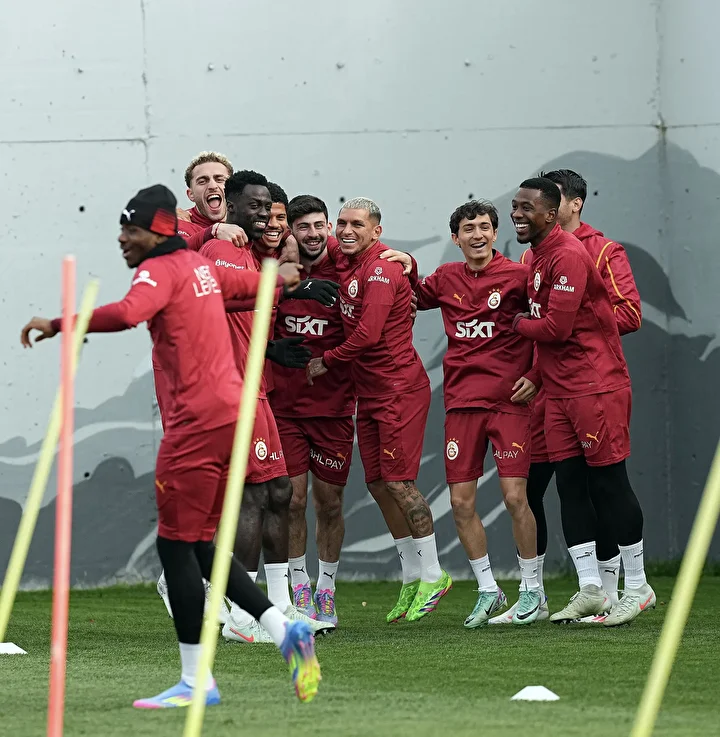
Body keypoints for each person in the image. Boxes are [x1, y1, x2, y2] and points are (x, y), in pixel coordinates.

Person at [19, 184, 321, 707]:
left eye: (131, 231)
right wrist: (284, 277)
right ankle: (281, 629)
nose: (122, 240)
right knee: (197, 544)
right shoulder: (200, 268)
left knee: (175, 546)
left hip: (196, 425)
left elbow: (128, 312)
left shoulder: (158, 269)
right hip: (230, 416)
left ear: (157, 232)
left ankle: (196, 680)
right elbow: (255, 286)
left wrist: (59, 324)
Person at [493, 169, 642, 625]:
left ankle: (636, 586)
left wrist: (516, 322)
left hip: (593, 384)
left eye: (526, 207)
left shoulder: (581, 252)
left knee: (608, 483)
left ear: (557, 209)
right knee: (570, 485)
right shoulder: (534, 256)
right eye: (514, 206)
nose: (517, 214)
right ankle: (592, 589)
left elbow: (558, 327)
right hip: (556, 388)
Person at [200, 171, 338, 643]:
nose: (262, 214)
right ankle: (242, 613)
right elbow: (220, 292)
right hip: (232, 392)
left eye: (268, 207)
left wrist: (271, 347)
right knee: (254, 496)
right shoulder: (221, 248)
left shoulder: (252, 254)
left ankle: (279, 606)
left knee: (279, 492)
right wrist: (288, 287)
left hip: (253, 386)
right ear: (231, 205)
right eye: (254, 206)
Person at [306, 197, 451, 623]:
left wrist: (326, 360)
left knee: (400, 482)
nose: (346, 230)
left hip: (399, 391)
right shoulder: (346, 256)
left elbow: (368, 335)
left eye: (357, 224)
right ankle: (411, 575)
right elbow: (308, 238)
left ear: (377, 231)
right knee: (377, 484)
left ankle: (435, 573)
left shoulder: (382, 269)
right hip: (370, 393)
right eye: (342, 223)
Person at [412, 200, 545, 627]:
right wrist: (399, 261)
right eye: (468, 229)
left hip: (509, 402)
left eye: (485, 227)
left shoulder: (519, 277)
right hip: (461, 404)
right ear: (456, 238)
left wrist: (537, 375)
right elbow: (406, 296)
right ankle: (489, 589)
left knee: (515, 497)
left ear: (495, 233)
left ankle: (532, 589)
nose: (478, 235)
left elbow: (551, 325)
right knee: (460, 502)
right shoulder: (445, 277)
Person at [274, 195, 357, 628]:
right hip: (284, 409)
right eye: (302, 226)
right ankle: (299, 589)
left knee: (329, 503)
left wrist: (407, 262)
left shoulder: (346, 270)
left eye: (318, 225)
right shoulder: (277, 270)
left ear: (328, 227)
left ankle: (327, 589)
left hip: (334, 408)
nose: (312, 233)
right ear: (290, 230)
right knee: (291, 500)